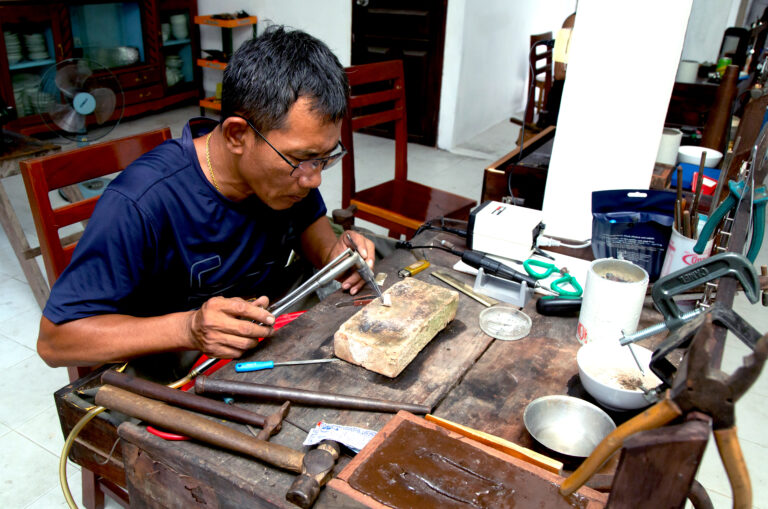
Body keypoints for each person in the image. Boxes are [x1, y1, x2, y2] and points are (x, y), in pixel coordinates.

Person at [36, 26, 375, 381]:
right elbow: (55, 341)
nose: (313, 179)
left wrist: (335, 254)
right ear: (237, 135)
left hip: (259, 343)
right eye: (302, 159)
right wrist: (189, 328)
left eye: (325, 158)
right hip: (175, 369)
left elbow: (310, 226)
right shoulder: (141, 202)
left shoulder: (286, 176)